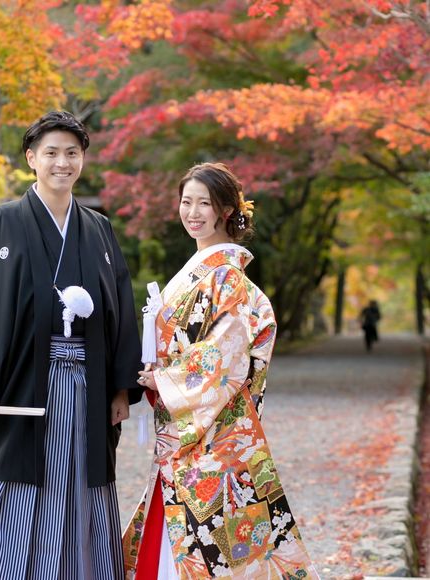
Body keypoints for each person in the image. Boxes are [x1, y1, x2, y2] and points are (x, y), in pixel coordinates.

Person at [0, 111, 142, 580]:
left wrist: (119, 388)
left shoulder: (99, 229)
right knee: (10, 487)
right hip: (18, 383)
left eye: (72, 153)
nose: (61, 163)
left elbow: (119, 309)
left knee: (79, 484)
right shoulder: (0, 222)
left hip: (85, 387)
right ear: (31, 158)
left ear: (83, 159)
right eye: (51, 153)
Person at [123, 163, 319, 579]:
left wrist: (166, 379)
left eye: (204, 204)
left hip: (212, 427)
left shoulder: (226, 276)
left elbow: (225, 354)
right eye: (186, 202)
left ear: (226, 211)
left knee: (211, 534)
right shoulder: (200, 269)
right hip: (188, 421)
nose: (192, 213)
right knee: (193, 530)